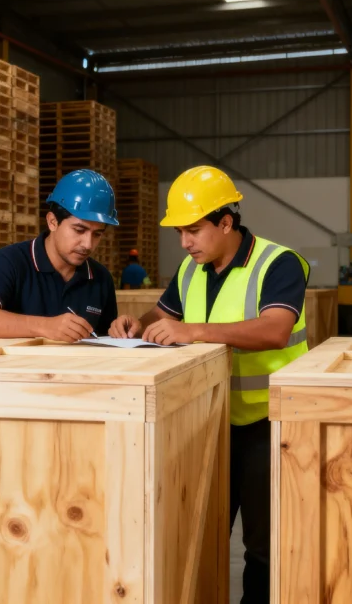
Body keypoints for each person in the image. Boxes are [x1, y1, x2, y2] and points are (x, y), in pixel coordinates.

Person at [108, 165, 309, 604]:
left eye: (193, 230)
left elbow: (275, 329)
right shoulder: (190, 269)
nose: (185, 242)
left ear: (225, 222)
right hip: (209, 424)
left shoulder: (279, 263)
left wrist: (194, 331)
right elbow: (165, 317)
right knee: (202, 534)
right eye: (180, 232)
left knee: (264, 546)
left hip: (269, 427)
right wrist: (134, 324)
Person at [0, 169, 121, 341]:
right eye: (79, 230)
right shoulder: (8, 262)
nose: (88, 244)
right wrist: (45, 326)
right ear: (52, 222)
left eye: (97, 234)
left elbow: (105, 339)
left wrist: (119, 330)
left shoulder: (101, 278)